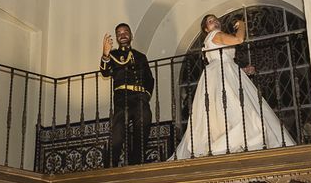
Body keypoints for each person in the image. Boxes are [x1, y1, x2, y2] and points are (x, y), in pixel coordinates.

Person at [172, 14, 295, 159]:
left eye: (216, 19)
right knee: (240, 110)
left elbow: (224, 60)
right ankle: (239, 143)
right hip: (221, 75)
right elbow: (239, 39)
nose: (215, 22)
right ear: (206, 29)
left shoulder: (214, 38)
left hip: (225, 73)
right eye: (210, 21)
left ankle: (237, 143)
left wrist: (242, 71)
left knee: (230, 110)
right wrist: (242, 25)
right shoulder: (215, 34)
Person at [100, 23, 154, 167]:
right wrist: (105, 55)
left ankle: (137, 161)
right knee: (118, 130)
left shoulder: (140, 56)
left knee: (144, 118)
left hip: (139, 97)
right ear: (117, 37)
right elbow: (105, 72)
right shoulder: (113, 55)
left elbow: (150, 79)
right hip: (122, 97)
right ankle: (110, 164)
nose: (122, 35)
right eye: (119, 33)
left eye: (125, 32)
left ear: (131, 35)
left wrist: (146, 96)